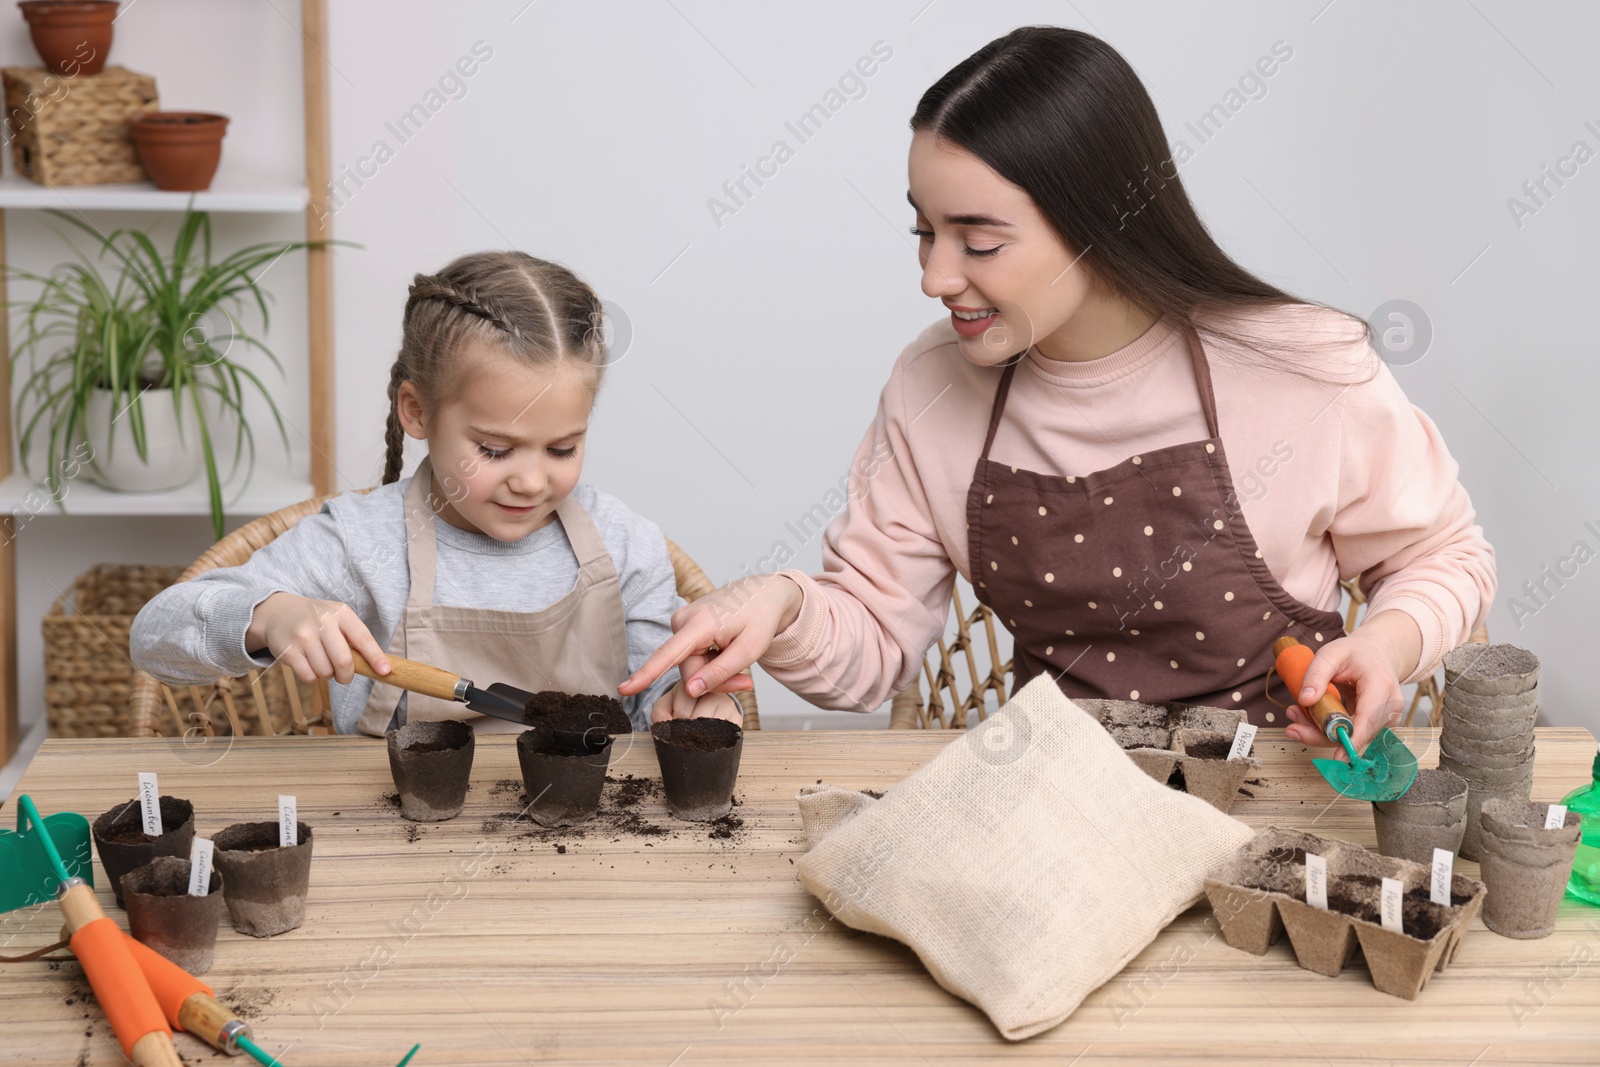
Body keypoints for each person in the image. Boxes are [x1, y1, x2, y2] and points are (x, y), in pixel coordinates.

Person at [622, 27, 1495, 752]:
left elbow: (1446, 556)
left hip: (1276, 796)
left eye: (979, 240)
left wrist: (1384, 641)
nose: (935, 277)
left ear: (1099, 218)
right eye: (924, 232)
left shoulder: (1301, 367)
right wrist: (781, 604)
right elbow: (874, 650)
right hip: (1052, 810)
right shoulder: (932, 385)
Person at [132, 251, 743, 734]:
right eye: (495, 450)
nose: (531, 480)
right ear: (417, 412)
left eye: (562, 449)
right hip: (397, 843)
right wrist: (270, 615)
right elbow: (152, 637)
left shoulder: (625, 544)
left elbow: (655, 695)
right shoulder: (360, 541)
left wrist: (689, 706)